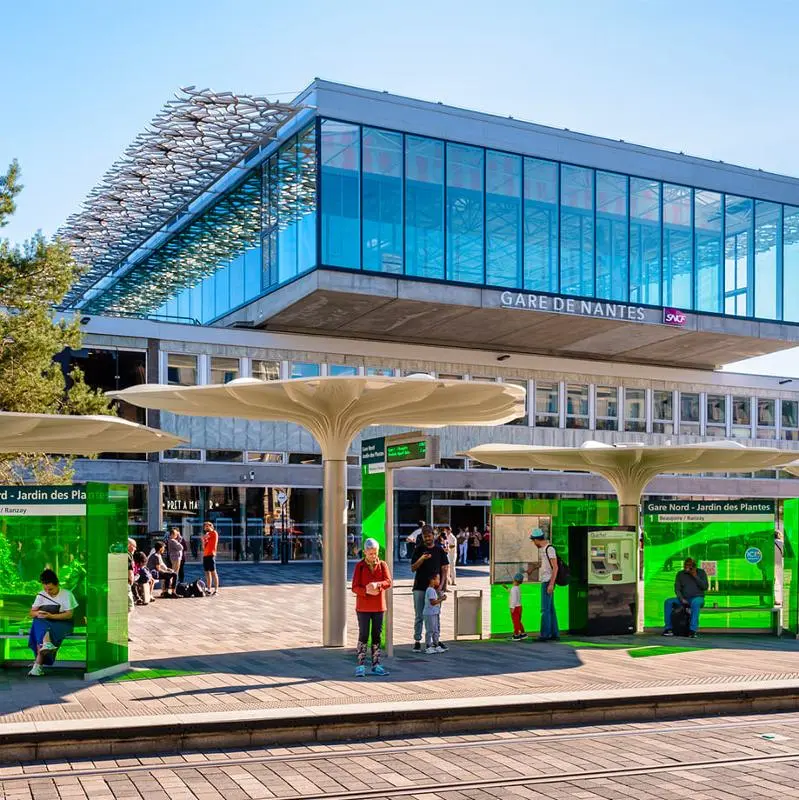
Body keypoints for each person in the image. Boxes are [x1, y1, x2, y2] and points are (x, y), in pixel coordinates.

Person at [350, 537, 392, 677]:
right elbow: (354, 587)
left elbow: (388, 581)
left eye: (375, 553)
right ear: (365, 553)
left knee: (376, 636)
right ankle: (361, 665)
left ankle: (376, 664)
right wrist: (366, 591)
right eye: (370, 553)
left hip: (379, 606)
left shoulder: (382, 565)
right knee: (363, 635)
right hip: (363, 607)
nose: (373, 556)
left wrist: (378, 585)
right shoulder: (359, 566)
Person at [27, 569, 76, 677]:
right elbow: (32, 612)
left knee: (40, 627)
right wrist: (38, 613)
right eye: (45, 589)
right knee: (39, 621)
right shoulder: (42, 594)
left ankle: (38, 662)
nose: (48, 592)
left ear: (57, 584)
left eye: (51, 589)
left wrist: (51, 616)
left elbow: (69, 615)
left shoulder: (67, 594)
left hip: (62, 623)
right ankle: (46, 645)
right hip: (45, 622)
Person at [410, 525, 449, 652]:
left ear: (434, 535)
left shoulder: (439, 550)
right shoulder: (419, 549)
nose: (427, 538)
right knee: (419, 615)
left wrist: (442, 586)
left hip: (436, 588)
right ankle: (417, 640)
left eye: (429, 535)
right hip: (420, 587)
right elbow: (413, 568)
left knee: (435, 614)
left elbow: (445, 569)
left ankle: (436, 640)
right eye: (424, 536)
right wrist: (422, 558)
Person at [662, 558, 708, 638]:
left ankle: (692, 630)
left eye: (690, 565)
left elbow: (705, 587)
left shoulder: (701, 573)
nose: (687, 567)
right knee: (668, 602)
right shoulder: (680, 574)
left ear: (694, 566)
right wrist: (681, 599)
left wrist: (695, 576)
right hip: (684, 598)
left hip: (697, 597)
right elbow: (677, 589)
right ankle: (668, 628)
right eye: (686, 565)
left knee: (695, 603)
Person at [530, 528, 559, 642]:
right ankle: (555, 633)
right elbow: (545, 565)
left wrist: (551, 584)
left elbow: (555, 567)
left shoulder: (549, 549)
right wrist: (533, 568)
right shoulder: (544, 549)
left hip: (548, 581)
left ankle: (544, 635)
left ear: (537, 539)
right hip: (547, 581)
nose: (533, 543)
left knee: (544, 609)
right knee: (550, 609)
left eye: (533, 541)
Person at [423, 573, 447, 654]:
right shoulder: (430, 590)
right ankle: (428, 646)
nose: (439, 581)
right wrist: (441, 599)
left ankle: (436, 645)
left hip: (434, 613)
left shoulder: (433, 590)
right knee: (430, 630)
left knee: (435, 629)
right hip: (429, 613)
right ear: (432, 580)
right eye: (438, 579)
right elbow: (433, 602)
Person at [506, 572, 527, 640]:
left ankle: (516, 635)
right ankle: (523, 633)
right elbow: (512, 593)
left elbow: (514, 599)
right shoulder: (517, 588)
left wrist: (512, 607)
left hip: (515, 608)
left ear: (514, 580)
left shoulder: (513, 589)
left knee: (515, 622)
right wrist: (506, 588)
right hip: (519, 607)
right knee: (518, 621)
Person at [202, 520, 220, 595]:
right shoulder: (207, 535)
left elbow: (205, 536)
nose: (205, 527)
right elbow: (204, 547)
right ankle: (209, 589)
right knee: (207, 572)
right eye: (205, 526)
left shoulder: (214, 533)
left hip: (211, 555)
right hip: (205, 555)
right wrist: (203, 540)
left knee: (213, 572)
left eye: (207, 526)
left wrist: (204, 537)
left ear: (211, 526)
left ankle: (216, 590)